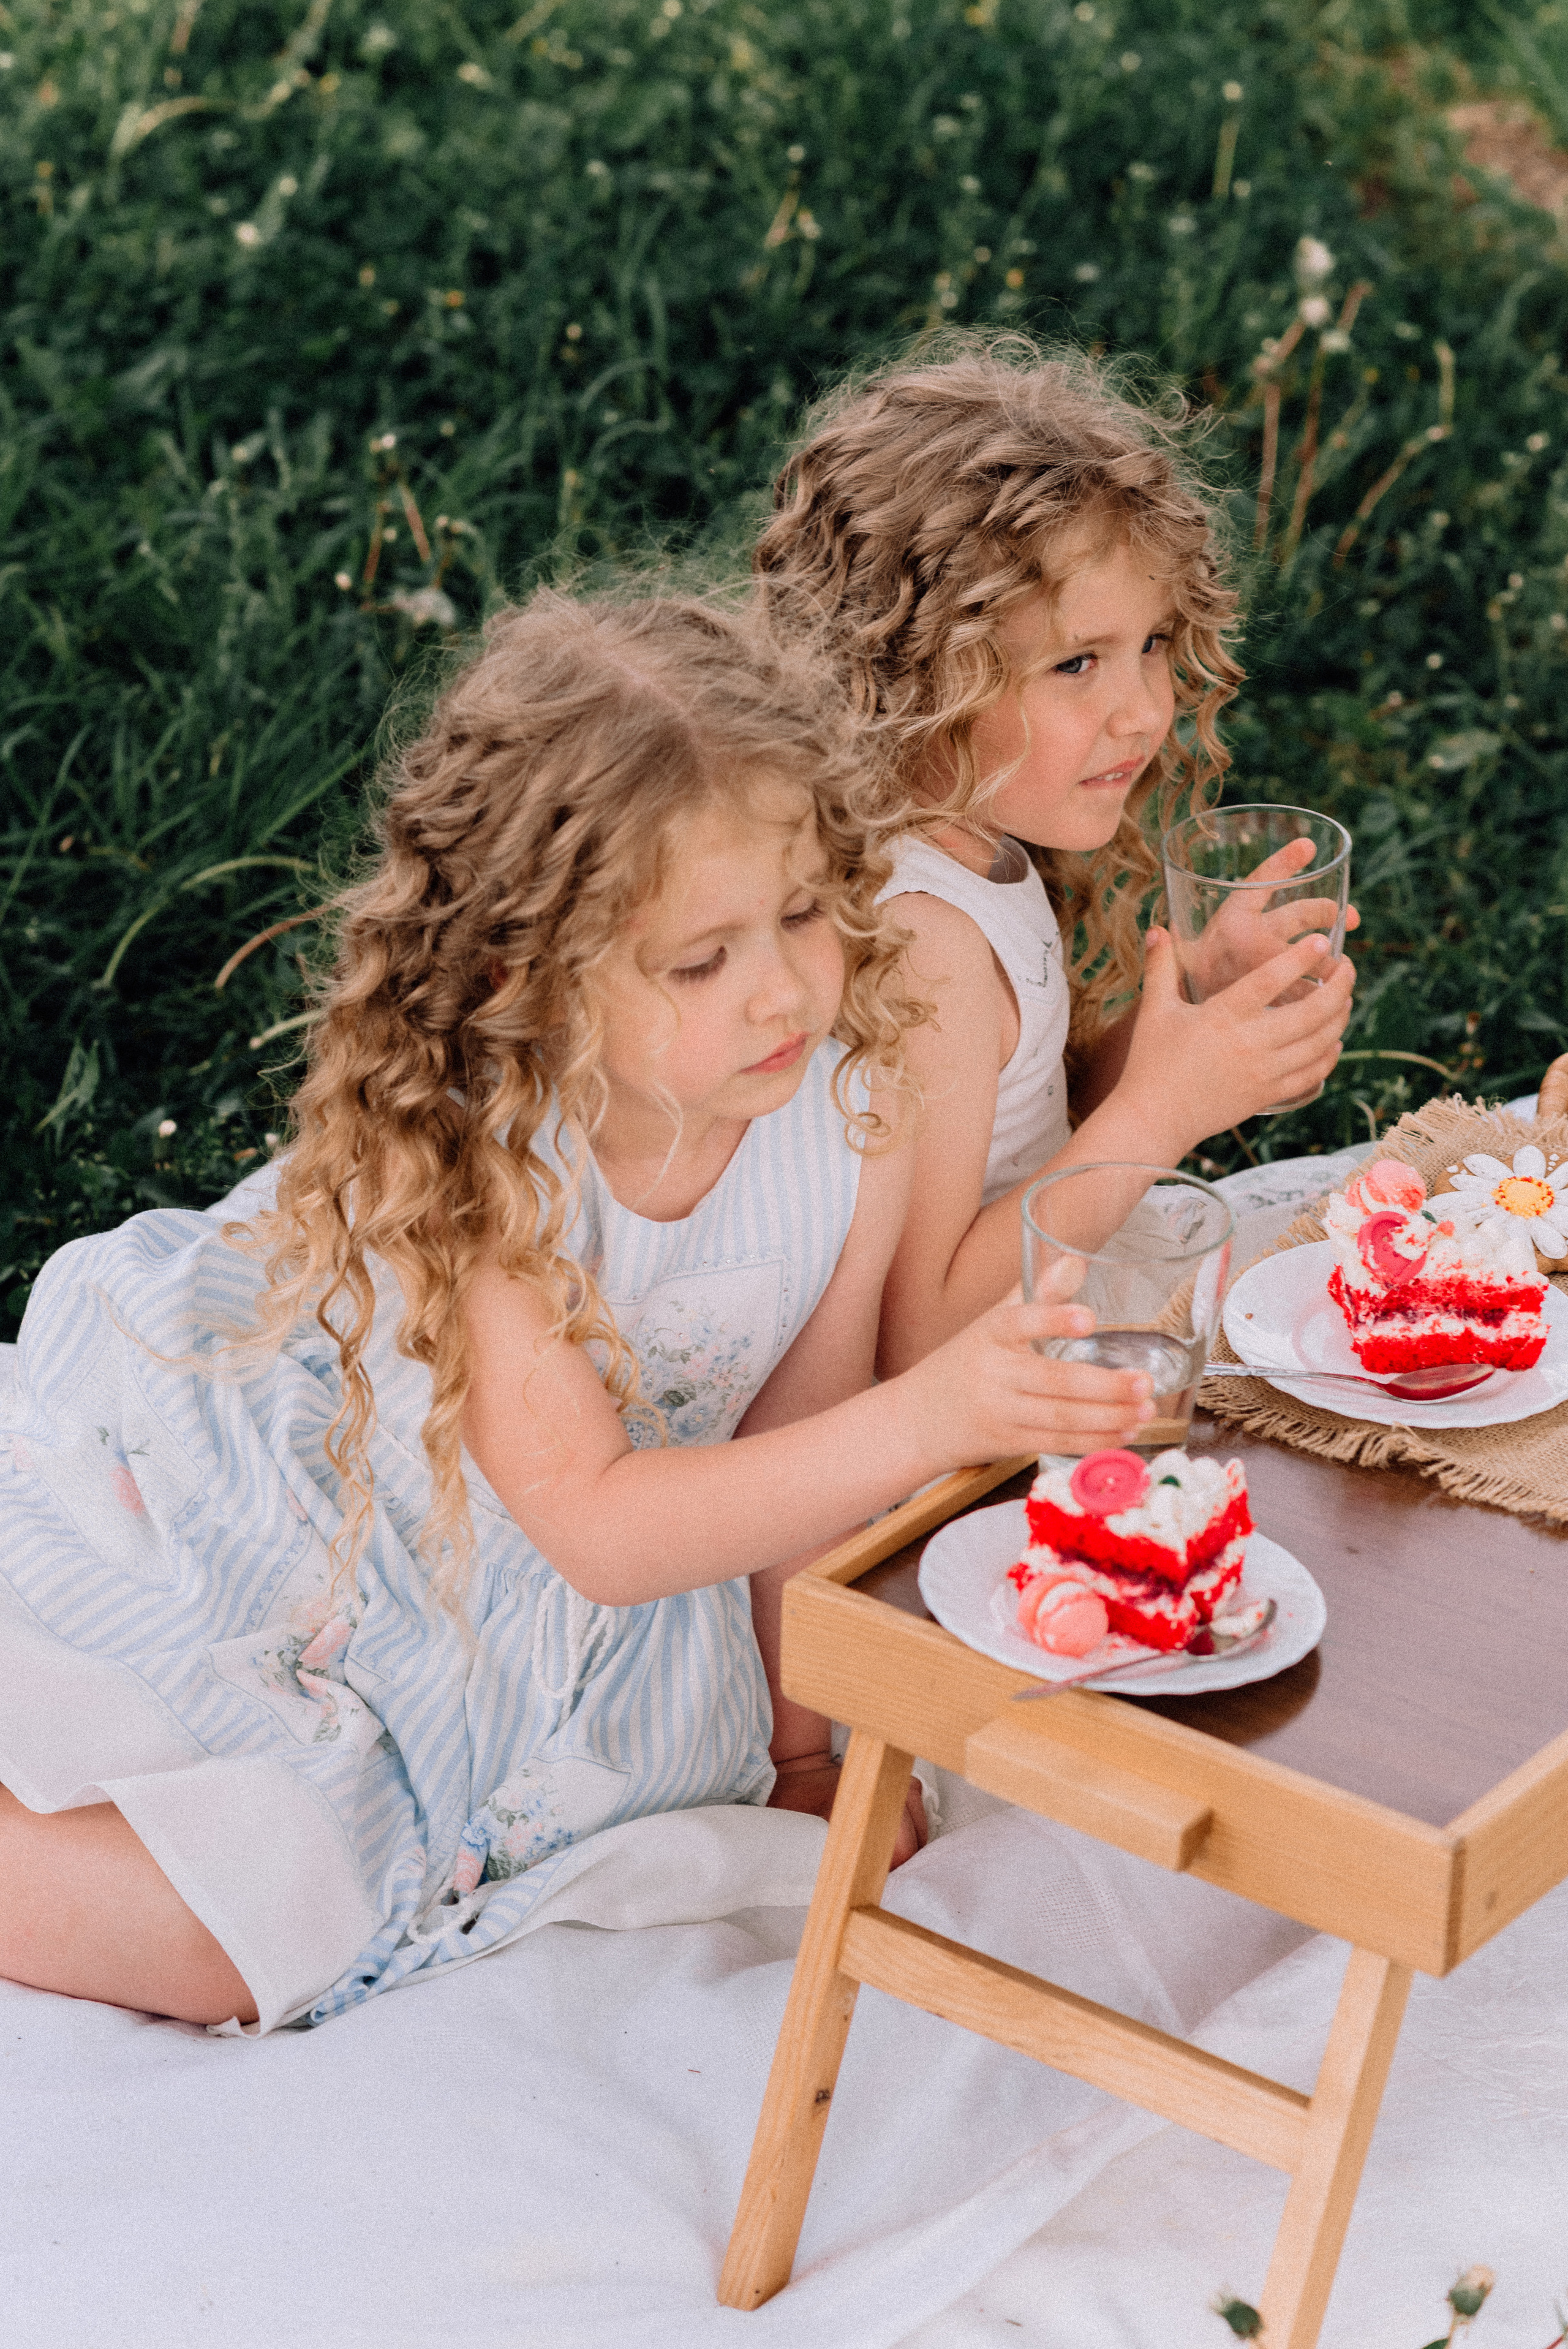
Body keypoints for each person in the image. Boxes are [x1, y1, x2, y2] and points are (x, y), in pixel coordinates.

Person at [0, 589, 1156, 2035]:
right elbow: (603, 1527)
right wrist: (931, 1417)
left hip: (593, 1561)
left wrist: (804, 1756)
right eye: (700, 957)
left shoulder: (847, 1098)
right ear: (524, 975)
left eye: (802, 912)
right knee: (262, 1909)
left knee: (407, 1849)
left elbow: (806, 1430)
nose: (782, 988)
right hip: (337, 1497)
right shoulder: (489, 1153)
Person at [753, 338, 1359, 1376]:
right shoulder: (925, 939)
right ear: (915, 676)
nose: (1145, 710)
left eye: (1156, 645)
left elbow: (1036, 1113)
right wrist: (1169, 1109)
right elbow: (923, 1334)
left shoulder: (972, 841)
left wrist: (1194, 1017)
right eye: (1078, 662)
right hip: (990, 1386)